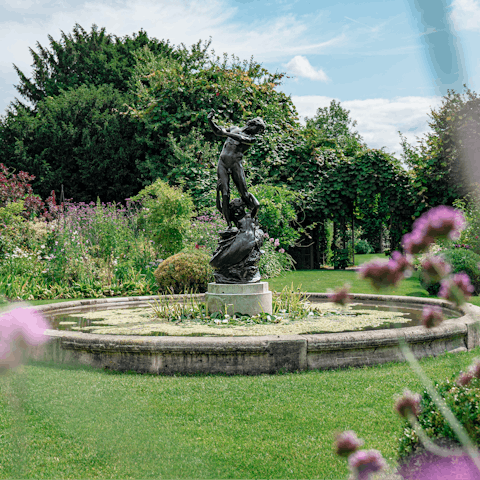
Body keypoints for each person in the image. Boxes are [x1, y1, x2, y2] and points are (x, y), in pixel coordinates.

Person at [207, 109, 265, 228]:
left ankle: (252, 216)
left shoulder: (252, 139)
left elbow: (241, 139)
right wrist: (210, 121)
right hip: (222, 163)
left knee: (243, 193)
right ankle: (228, 224)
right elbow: (218, 131)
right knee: (225, 193)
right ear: (252, 124)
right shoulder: (234, 128)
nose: (258, 133)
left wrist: (226, 133)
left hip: (235, 165)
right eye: (258, 130)